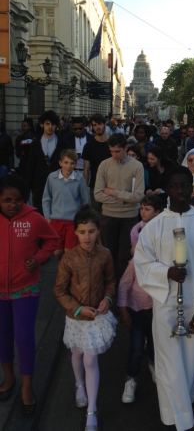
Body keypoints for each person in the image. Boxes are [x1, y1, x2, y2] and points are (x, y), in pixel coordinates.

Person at [134, 166, 194, 431]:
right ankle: (178, 418)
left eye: (185, 185)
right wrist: (167, 272)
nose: (180, 191)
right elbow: (142, 263)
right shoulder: (155, 227)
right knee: (169, 362)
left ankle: (185, 406)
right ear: (167, 189)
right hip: (165, 306)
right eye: (174, 186)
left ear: (191, 188)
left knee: (190, 361)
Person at [54, 205, 116, 431]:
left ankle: (92, 410)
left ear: (98, 230)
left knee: (90, 359)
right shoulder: (68, 258)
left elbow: (110, 282)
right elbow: (59, 290)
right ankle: (79, 384)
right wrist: (78, 309)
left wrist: (108, 299)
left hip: (97, 315)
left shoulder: (105, 255)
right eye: (82, 232)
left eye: (91, 231)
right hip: (77, 316)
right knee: (77, 352)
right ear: (75, 232)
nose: (87, 237)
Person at [0, 175, 59, 414]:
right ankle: (8, 377)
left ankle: (27, 387)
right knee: (3, 336)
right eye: (6, 200)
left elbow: (52, 241)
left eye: (18, 200)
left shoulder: (34, 219)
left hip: (26, 288)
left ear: (25, 200)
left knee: (24, 338)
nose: (13, 204)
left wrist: (39, 258)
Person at [118, 195, 165, 404]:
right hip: (137, 309)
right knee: (137, 346)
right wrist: (123, 309)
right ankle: (131, 378)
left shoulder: (160, 262)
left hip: (156, 308)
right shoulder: (134, 263)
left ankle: (154, 365)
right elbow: (124, 285)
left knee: (155, 341)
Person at [94, 133, 145, 284]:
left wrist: (114, 192)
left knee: (125, 255)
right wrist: (124, 199)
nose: (114, 155)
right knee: (108, 253)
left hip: (129, 217)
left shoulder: (137, 166)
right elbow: (97, 194)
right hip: (108, 216)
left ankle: (124, 287)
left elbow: (138, 196)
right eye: (111, 151)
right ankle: (111, 287)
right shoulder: (104, 165)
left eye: (117, 151)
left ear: (126, 148)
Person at [42, 150, 90, 260]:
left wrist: (82, 218)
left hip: (73, 220)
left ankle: (68, 273)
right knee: (57, 251)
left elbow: (85, 200)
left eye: (72, 163)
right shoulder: (52, 177)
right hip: (56, 220)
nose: (68, 166)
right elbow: (46, 198)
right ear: (60, 163)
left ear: (76, 164)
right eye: (66, 162)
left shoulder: (79, 179)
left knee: (70, 251)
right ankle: (64, 267)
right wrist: (47, 217)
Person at [26, 110, 68, 215]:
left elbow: (68, 164)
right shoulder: (35, 143)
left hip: (58, 184)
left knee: (57, 215)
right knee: (39, 214)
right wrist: (27, 187)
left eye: (52, 124)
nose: (50, 127)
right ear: (42, 124)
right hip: (39, 185)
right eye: (47, 124)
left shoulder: (62, 143)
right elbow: (31, 166)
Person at [82, 114, 111, 213]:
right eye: (94, 125)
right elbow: (86, 169)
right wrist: (84, 187)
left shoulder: (112, 143)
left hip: (112, 185)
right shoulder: (88, 146)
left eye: (99, 124)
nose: (97, 127)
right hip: (95, 185)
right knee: (96, 215)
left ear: (104, 124)